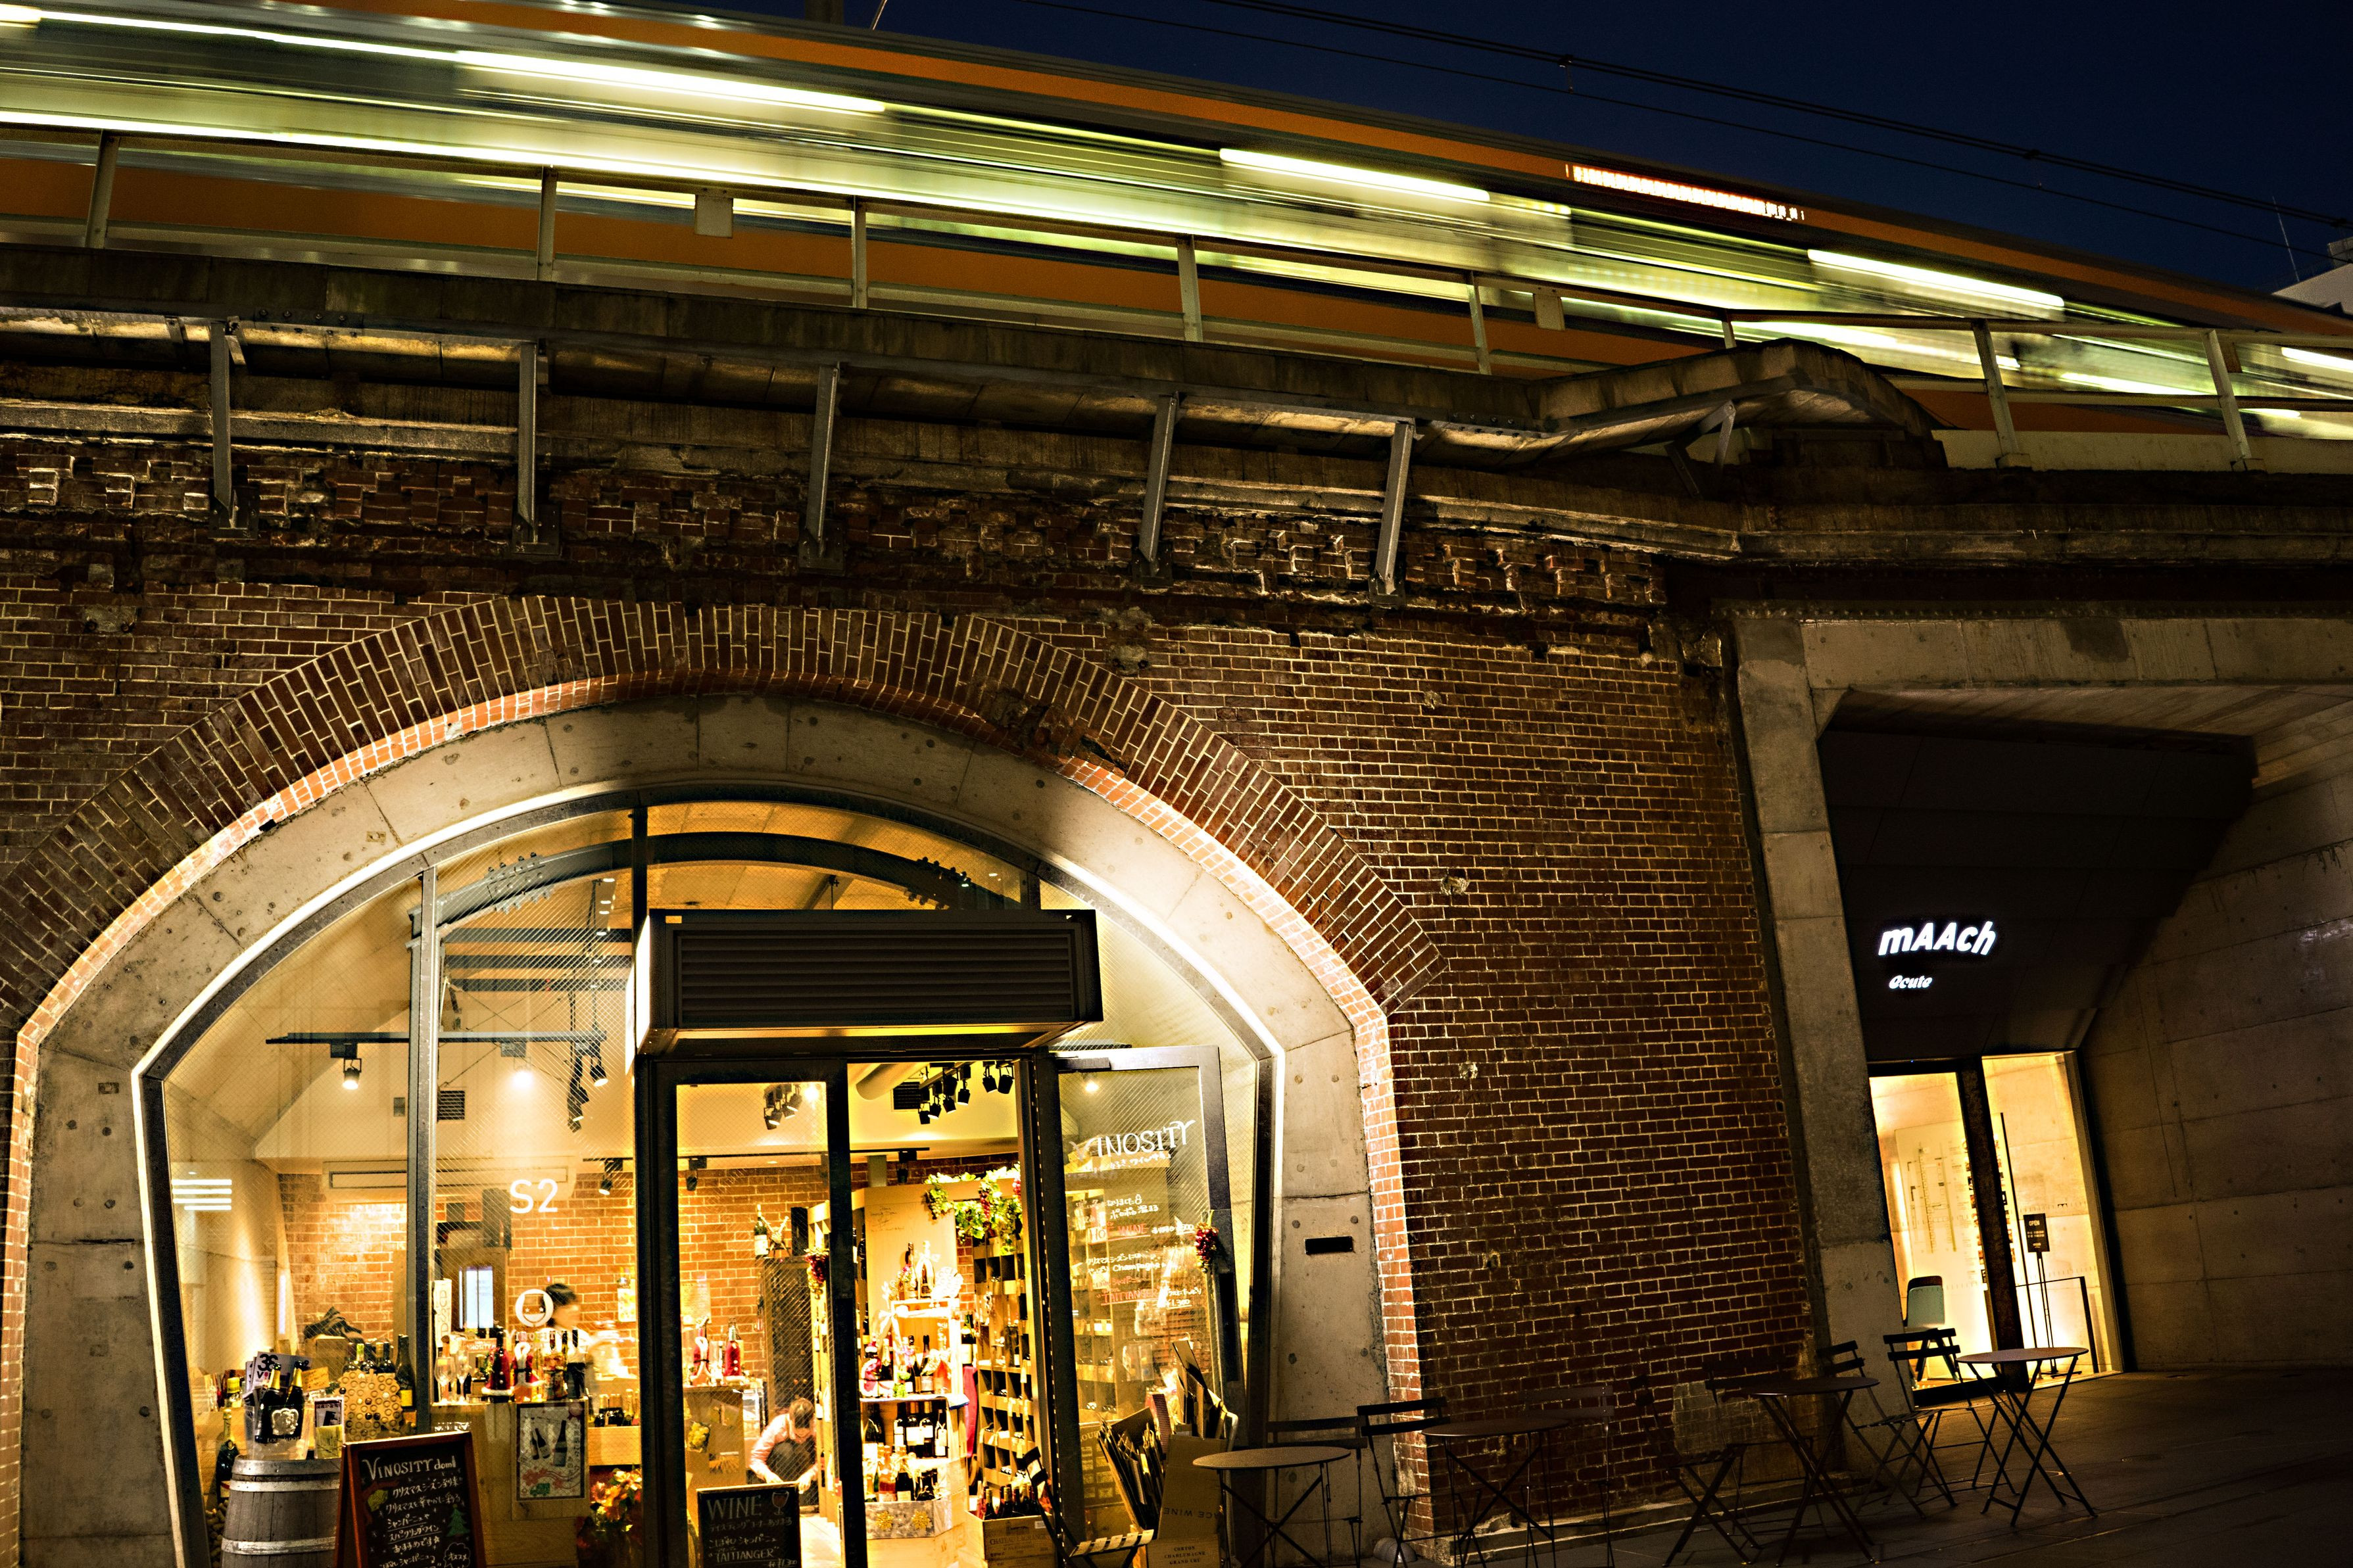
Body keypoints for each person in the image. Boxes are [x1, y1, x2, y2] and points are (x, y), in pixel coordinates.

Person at [748, 1396, 819, 1502]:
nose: (802, 1432)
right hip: (780, 1468)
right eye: (797, 1427)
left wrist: (810, 1474)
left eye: (806, 1428)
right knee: (785, 1449)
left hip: (806, 1468)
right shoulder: (778, 1426)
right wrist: (767, 1474)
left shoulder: (818, 1425)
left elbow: (825, 1458)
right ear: (791, 1420)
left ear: (812, 1420)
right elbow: (756, 1458)